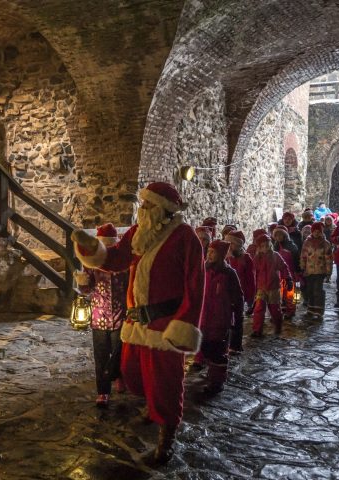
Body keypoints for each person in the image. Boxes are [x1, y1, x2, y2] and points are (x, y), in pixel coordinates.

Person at [71, 182, 204, 466]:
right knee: (133, 373)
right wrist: (91, 250)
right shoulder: (139, 233)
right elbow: (117, 258)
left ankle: (166, 432)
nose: (140, 210)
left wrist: (184, 324)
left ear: (162, 210)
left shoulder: (185, 237)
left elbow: (195, 286)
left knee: (167, 383)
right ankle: (153, 406)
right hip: (136, 321)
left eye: (146, 205)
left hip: (166, 323)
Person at [75, 223, 130, 408]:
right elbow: (87, 288)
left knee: (119, 352)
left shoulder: (123, 263)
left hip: (121, 314)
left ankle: (120, 376)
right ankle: (103, 391)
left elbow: (131, 285)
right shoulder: (93, 263)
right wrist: (82, 284)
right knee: (100, 355)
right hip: (99, 315)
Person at [198, 240, 244, 394]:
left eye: (213, 252)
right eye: (209, 251)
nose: (209, 255)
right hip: (204, 319)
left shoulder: (229, 274)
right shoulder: (203, 270)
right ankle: (212, 374)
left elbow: (238, 298)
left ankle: (217, 382)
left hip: (220, 320)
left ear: (221, 255)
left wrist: (237, 321)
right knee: (205, 348)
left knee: (217, 352)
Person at [252, 234, 291, 337]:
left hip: (273, 287)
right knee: (259, 308)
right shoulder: (258, 258)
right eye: (262, 246)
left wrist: (288, 278)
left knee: (275, 309)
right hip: (261, 287)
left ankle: (278, 326)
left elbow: (283, 267)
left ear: (269, 245)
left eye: (266, 245)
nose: (264, 248)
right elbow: (254, 269)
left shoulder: (275, 256)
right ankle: (257, 330)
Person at [225, 230, 255, 352]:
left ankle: (235, 345)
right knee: (225, 319)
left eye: (232, 243)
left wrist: (250, 296)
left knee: (237, 320)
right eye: (228, 243)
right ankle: (225, 343)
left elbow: (250, 278)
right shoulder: (225, 258)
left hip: (239, 294)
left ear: (239, 245)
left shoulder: (246, 258)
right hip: (225, 294)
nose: (230, 246)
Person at [300, 222, 333, 319]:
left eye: (319, 231)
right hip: (309, 270)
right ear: (312, 232)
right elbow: (303, 255)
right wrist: (302, 266)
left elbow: (329, 259)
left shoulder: (325, 244)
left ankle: (319, 310)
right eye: (315, 231)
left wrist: (328, 271)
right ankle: (311, 309)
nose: (317, 233)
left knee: (317, 291)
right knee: (309, 290)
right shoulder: (307, 242)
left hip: (320, 271)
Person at [273, 226, 300, 318]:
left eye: (280, 235)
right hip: (280, 274)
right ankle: (283, 308)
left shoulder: (292, 246)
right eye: (276, 235)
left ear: (285, 235)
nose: (278, 237)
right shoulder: (275, 246)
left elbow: (296, 260)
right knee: (281, 293)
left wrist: (297, 271)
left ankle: (292, 309)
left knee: (292, 293)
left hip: (291, 273)